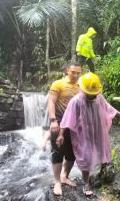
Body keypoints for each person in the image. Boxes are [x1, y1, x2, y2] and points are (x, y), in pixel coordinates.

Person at [56, 72, 120, 196]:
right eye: (90, 94)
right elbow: (66, 118)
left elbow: (107, 107)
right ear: (83, 90)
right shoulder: (76, 101)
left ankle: (101, 173)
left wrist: (119, 114)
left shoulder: (99, 97)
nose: (93, 96)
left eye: (94, 93)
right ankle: (86, 184)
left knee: (102, 151)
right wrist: (61, 135)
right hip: (83, 134)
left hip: (98, 131)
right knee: (86, 157)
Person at [48, 62, 82, 195]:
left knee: (72, 154)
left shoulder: (80, 86)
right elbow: (51, 101)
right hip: (59, 123)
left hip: (74, 126)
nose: (76, 75)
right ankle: (57, 182)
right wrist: (52, 121)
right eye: (73, 72)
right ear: (67, 70)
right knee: (58, 152)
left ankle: (65, 176)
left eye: (78, 73)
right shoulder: (58, 84)